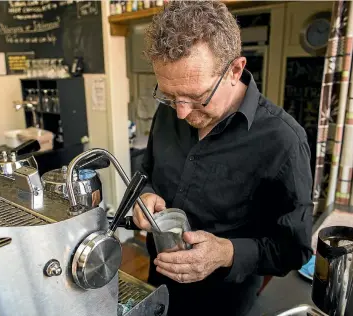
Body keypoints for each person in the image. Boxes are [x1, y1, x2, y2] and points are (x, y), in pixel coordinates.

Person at [132, 1, 313, 315]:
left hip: (225, 301)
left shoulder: (284, 141)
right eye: (169, 95)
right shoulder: (169, 112)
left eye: (197, 97)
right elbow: (146, 170)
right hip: (160, 280)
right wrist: (144, 194)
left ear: (235, 69)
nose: (181, 111)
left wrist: (227, 252)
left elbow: (293, 249)